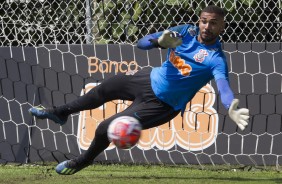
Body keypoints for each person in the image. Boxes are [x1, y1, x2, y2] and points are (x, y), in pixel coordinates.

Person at [29, 5, 249, 175]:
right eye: (204, 21)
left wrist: (230, 107)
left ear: (222, 27)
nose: (207, 27)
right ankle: (61, 112)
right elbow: (140, 43)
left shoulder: (216, 59)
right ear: (198, 22)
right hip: (147, 78)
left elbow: (223, 87)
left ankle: (82, 162)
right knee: (103, 89)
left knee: (106, 128)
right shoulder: (184, 32)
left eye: (213, 23)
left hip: (162, 104)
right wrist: (158, 41)